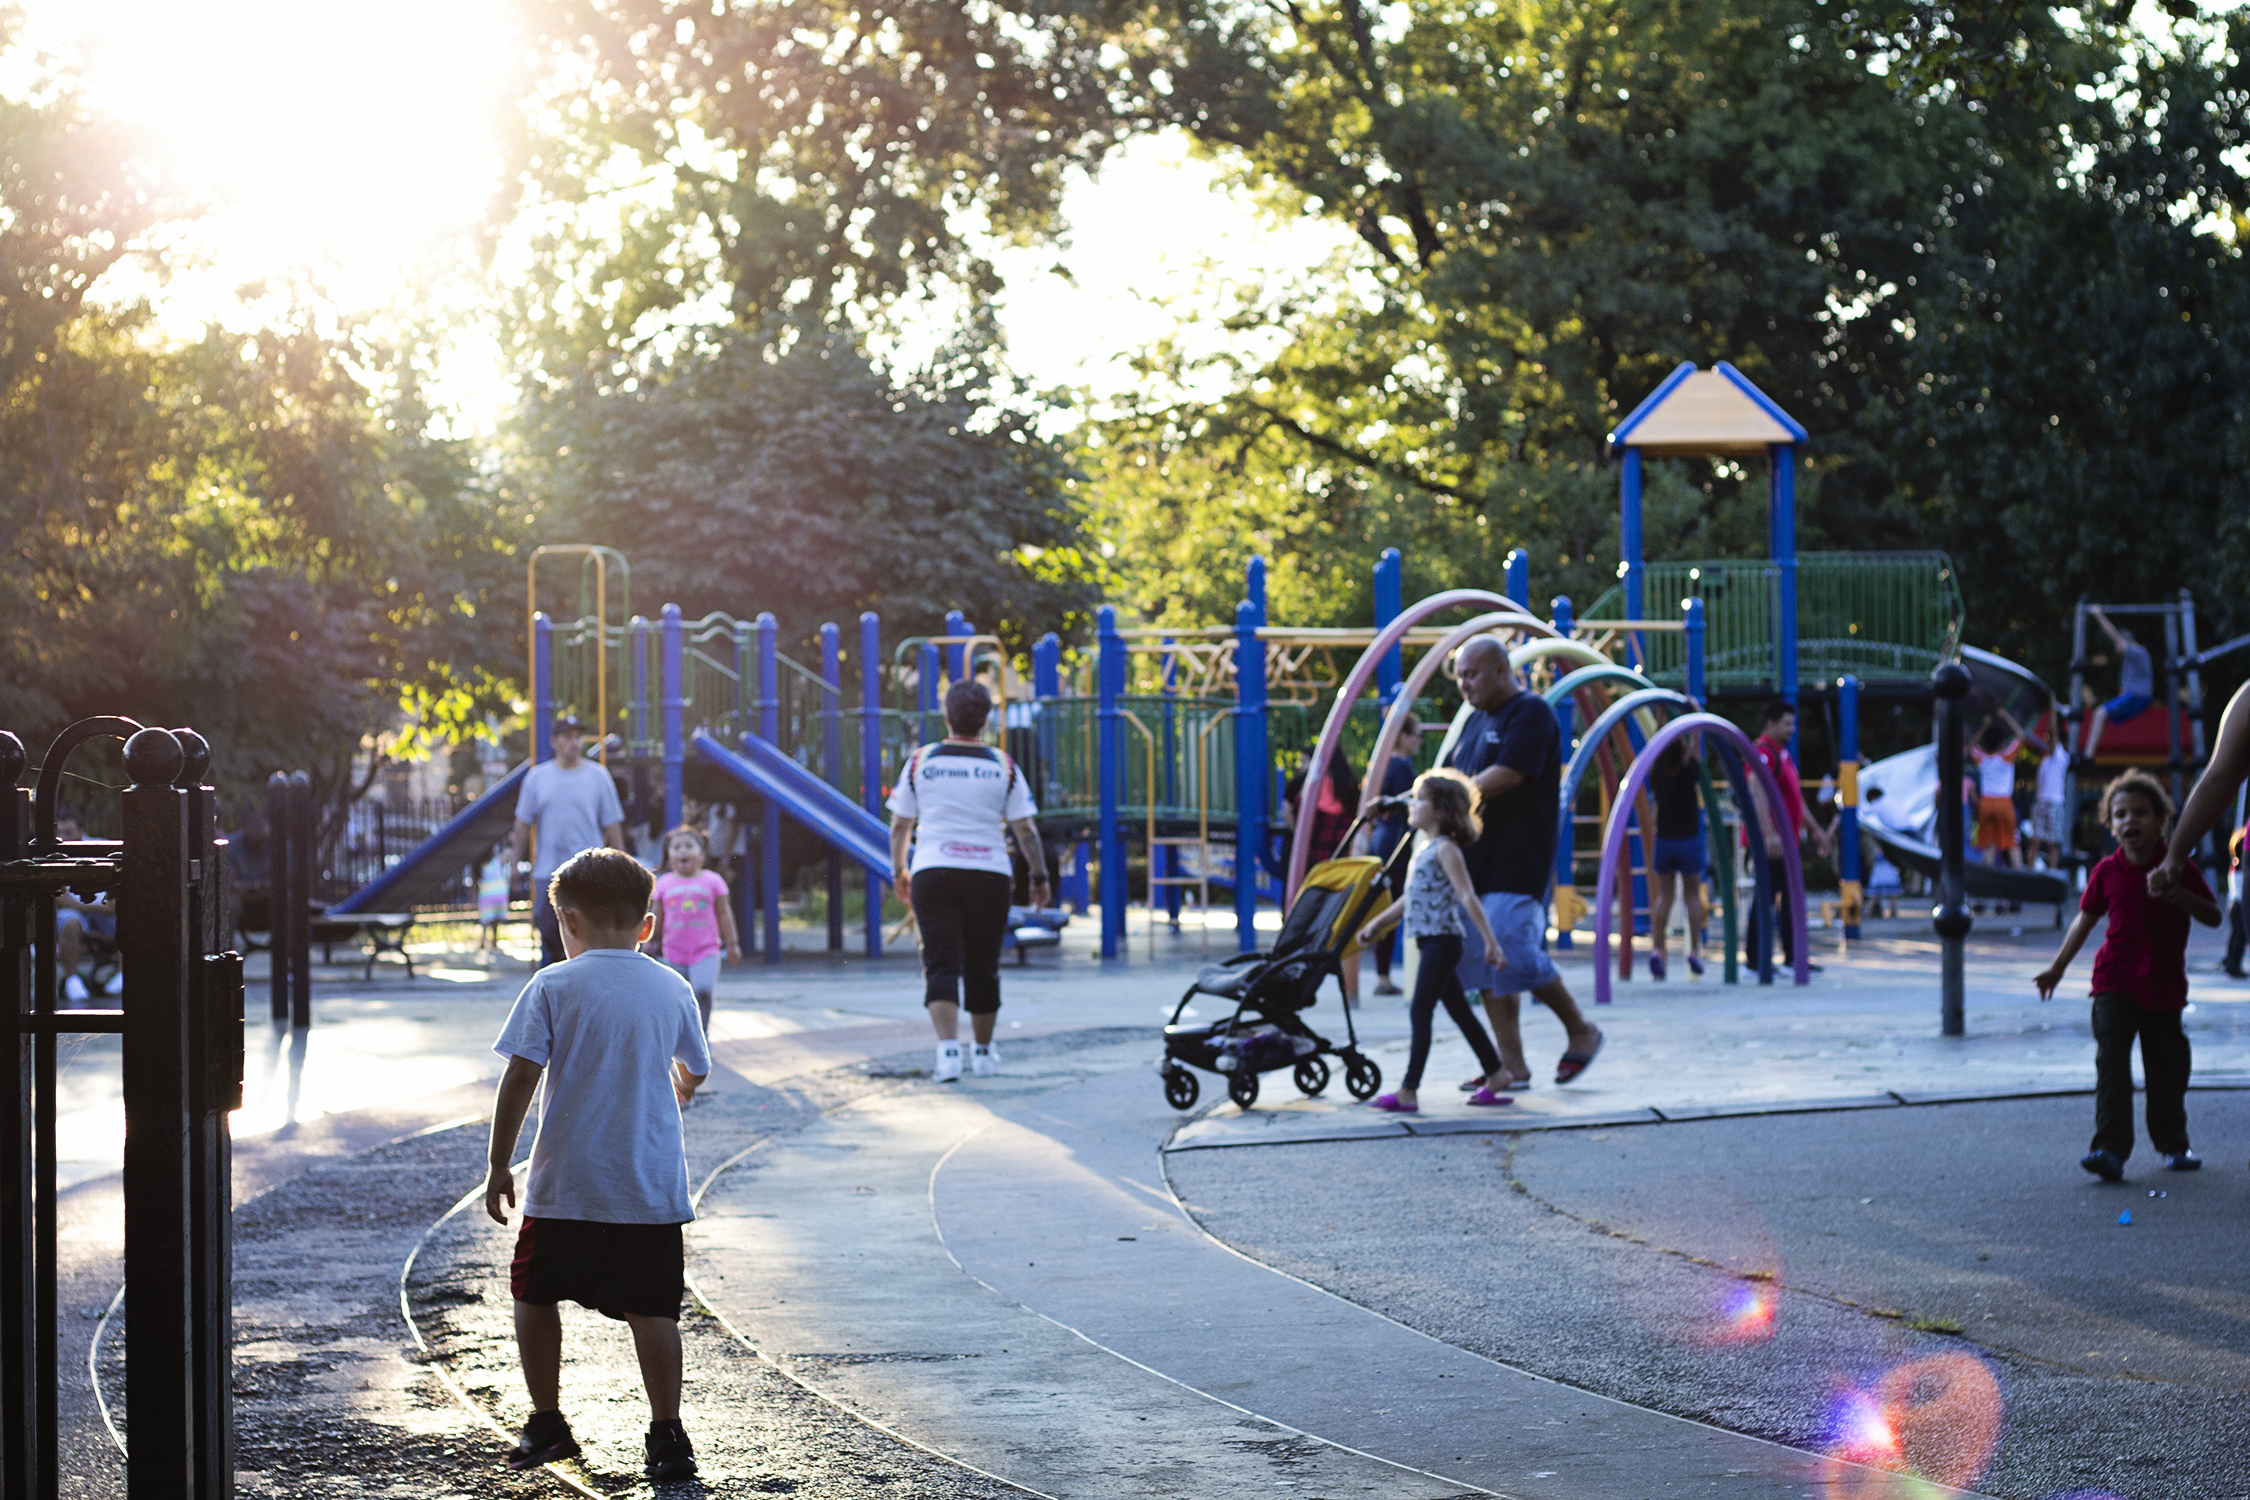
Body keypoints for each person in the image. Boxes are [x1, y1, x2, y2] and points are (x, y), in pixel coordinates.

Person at [483, 848, 711, 1480]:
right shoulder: (672, 985)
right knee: (655, 1308)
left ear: (568, 921)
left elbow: (521, 1076)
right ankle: (667, 1434)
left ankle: (548, 1421)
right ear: (647, 925)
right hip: (648, 1185)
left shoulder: (554, 984)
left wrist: (500, 1163)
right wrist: (679, 1080)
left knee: (533, 1292)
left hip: (565, 1185)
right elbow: (696, 1064)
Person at [2034, 772, 2219, 1180]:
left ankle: (2174, 1144)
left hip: (2164, 986)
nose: (2129, 821)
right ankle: (2109, 1151)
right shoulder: (2106, 871)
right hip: (2114, 983)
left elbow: (2213, 914)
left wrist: (2177, 893)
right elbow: (2084, 921)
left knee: (2167, 1070)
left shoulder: (2179, 867)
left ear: (2160, 821)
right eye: (2120, 814)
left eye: (2139, 812)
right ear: (2110, 825)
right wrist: (2058, 968)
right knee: (2112, 1067)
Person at [1443, 635, 1603, 1087]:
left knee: (1511, 950)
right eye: (1459, 678)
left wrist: (1452, 795)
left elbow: (1509, 774)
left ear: (1500, 668)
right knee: (1485, 960)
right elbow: (1456, 777)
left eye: (1471, 674)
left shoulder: (1531, 713)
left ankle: (1580, 1028)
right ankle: (1510, 1065)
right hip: (1478, 859)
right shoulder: (1474, 722)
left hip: (1518, 858)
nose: (1464, 685)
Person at [887, 680, 1048, 1082]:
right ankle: (983, 1053)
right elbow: (1025, 830)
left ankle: (947, 1055)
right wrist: (1039, 877)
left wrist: (899, 870)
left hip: (933, 870)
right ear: (987, 719)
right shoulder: (1004, 765)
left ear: (946, 716)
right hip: (990, 874)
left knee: (940, 962)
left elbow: (899, 826)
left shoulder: (921, 761)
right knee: (983, 965)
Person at [1354, 769, 1510, 1111]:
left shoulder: (1446, 849)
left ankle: (1409, 1090)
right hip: (1431, 941)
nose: (1412, 803)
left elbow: (1467, 896)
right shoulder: (1426, 848)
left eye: (1420, 798)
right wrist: (1378, 924)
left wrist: (1491, 942)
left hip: (1442, 941)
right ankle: (1497, 1073)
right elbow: (1410, 898)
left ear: (1440, 810)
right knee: (1459, 1012)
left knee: (1420, 1009)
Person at [511, 716, 628, 969]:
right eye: (567, 737)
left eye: (577, 737)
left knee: (590, 929)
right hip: (548, 870)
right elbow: (522, 823)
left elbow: (612, 823)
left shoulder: (598, 776)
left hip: (589, 871)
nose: (574, 743)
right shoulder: (537, 777)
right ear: (554, 741)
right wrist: (514, 863)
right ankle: (554, 980)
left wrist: (621, 864)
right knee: (549, 928)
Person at [1743, 698, 1830, 974]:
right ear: (1770, 724)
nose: (1792, 729)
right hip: (1772, 843)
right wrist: (1768, 834)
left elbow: (1795, 799)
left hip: (1786, 842)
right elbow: (1756, 790)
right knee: (1768, 897)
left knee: (1789, 897)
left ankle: (1792, 957)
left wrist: (1815, 830)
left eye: (1794, 723)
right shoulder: (1764, 753)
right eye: (1787, 723)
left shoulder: (1783, 754)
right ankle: (1757, 960)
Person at [1284, 747, 1367, 1005]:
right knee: (1340, 913)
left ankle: (1296, 967)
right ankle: (1347, 981)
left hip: (1315, 855)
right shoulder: (1349, 784)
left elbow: (1288, 810)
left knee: (1306, 909)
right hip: (1340, 855)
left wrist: (1299, 834)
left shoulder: (1305, 784)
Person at [650, 825, 742, 1033]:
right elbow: (656, 915)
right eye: (677, 847)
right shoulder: (664, 883)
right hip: (673, 952)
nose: (683, 850)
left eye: (689, 846)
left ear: (702, 854)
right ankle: (681, 1036)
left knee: (702, 992)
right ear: (669, 855)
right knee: (676, 998)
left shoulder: (713, 881)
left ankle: (702, 1033)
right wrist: (648, 940)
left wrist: (733, 944)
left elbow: (724, 914)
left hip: (706, 951)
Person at [1365, 714, 1424, 997]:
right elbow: (1410, 801)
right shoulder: (1400, 768)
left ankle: (1383, 974)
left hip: (1384, 839)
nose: (1420, 741)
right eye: (1417, 735)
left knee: (1387, 901)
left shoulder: (1385, 765)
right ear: (1402, 736)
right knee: (1398, 902)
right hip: (1395, 842)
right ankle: (1384, 976)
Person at [1645, 732, 1708, 980]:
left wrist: (1660, 718)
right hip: (1688, 840)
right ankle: (1693, 951)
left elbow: (1657, 745)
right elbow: (1695, 748)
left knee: (1665, 896)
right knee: (1691, 896)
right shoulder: (1689, 771)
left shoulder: (1658, 773)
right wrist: (1695, 729)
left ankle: (1658, 950)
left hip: (1665, 840)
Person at [52, 810, 117, 1004]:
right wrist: (98, 908)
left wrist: (87, 907)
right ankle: (72, 979)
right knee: (69, 921)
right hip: (87, 912)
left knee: (130, 915)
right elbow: (61, 901)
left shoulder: (103, 848)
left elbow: (117, 897)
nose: (64, 838)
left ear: (81, 830)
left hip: (103, 913)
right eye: (60, 833)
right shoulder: (54, 854)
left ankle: (123, 976)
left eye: (69, 832)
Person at [2081, 606, 2155, 761]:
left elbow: (2114, 636)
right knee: (2102, 715)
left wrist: (2099, 615)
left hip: (2137, 697)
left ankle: (2088, 756)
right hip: (2137, 697)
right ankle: (2089, 754)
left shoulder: (2138, 652)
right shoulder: (2131, 659)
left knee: (2100, 713)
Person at [1969, 713, 2027, 871]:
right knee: (2012, 844)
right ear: (2002, 743)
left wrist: (1985, 725)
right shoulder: (2007, 757)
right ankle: (2020, 882)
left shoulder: (1982, 759)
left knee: (1989, 845)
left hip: (1986, 803)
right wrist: (2006, 716)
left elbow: (1972, 745)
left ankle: (1985, 889)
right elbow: (2021, 736)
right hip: (2004, 803)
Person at [2029, 739, 2072, 870]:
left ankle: (2052, 872)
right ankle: (2029, 873)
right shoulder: (2045, 760)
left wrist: (2052, 717)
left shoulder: (2061, 756)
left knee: (2052, 843)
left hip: (2055, 803)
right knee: (2035, 840)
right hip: (2041, 802)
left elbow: (2054, 734)